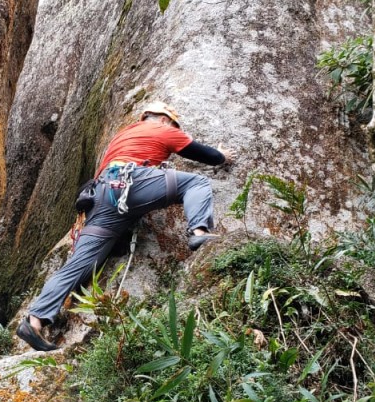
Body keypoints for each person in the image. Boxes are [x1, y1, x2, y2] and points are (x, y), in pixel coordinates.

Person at [17, 101, 235, 352]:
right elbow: (202, 153)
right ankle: (199, 232)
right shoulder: (163, 130)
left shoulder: (121, 137)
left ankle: (34, 322)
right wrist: (222, 156)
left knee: (79, 264)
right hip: (132, 184)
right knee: (196, 183)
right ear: (165, 120)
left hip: (101, 196)